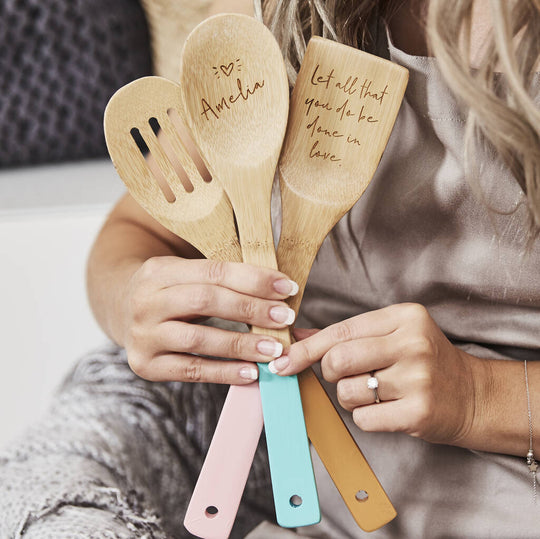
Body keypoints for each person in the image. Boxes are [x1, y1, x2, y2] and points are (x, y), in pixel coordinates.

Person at [1, 0, 540, 537]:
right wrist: (132, 303)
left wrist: (478, 395)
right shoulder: (282, 22)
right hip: (317, 491)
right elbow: (137, 233)